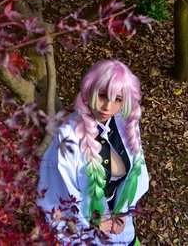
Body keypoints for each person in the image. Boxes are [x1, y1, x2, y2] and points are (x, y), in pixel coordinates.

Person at [37, 60, 149, 245]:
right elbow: (54, 193)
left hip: (122, 228)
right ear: (89, 90)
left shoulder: (125, 123)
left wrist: (123, 211)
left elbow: (137, 174)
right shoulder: (67, 136)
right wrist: (88, 222)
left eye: (117, 99)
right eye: (103, 96)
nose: (107, 107)